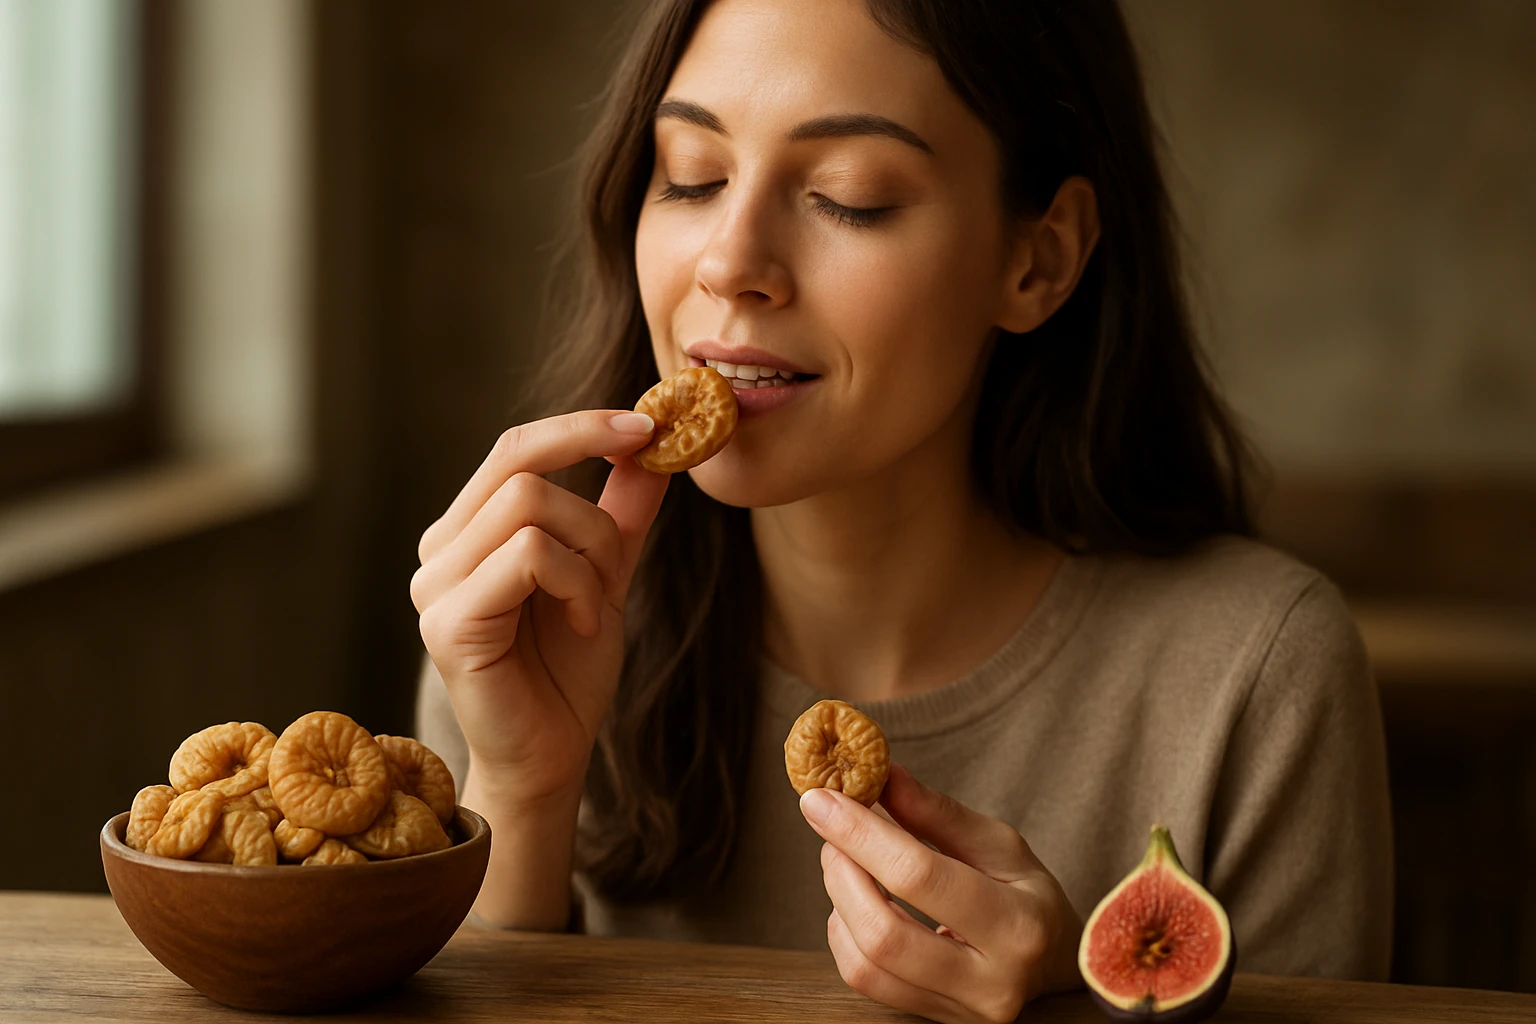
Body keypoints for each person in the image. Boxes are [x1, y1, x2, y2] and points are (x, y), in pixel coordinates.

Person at [410, 0, 1394, 1019]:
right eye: (691, 176)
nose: (727, 262)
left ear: (1039, 259)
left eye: (851, 197)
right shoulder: (528, 616)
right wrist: (521, 792)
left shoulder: (1257, 676)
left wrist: (1070, 1003)